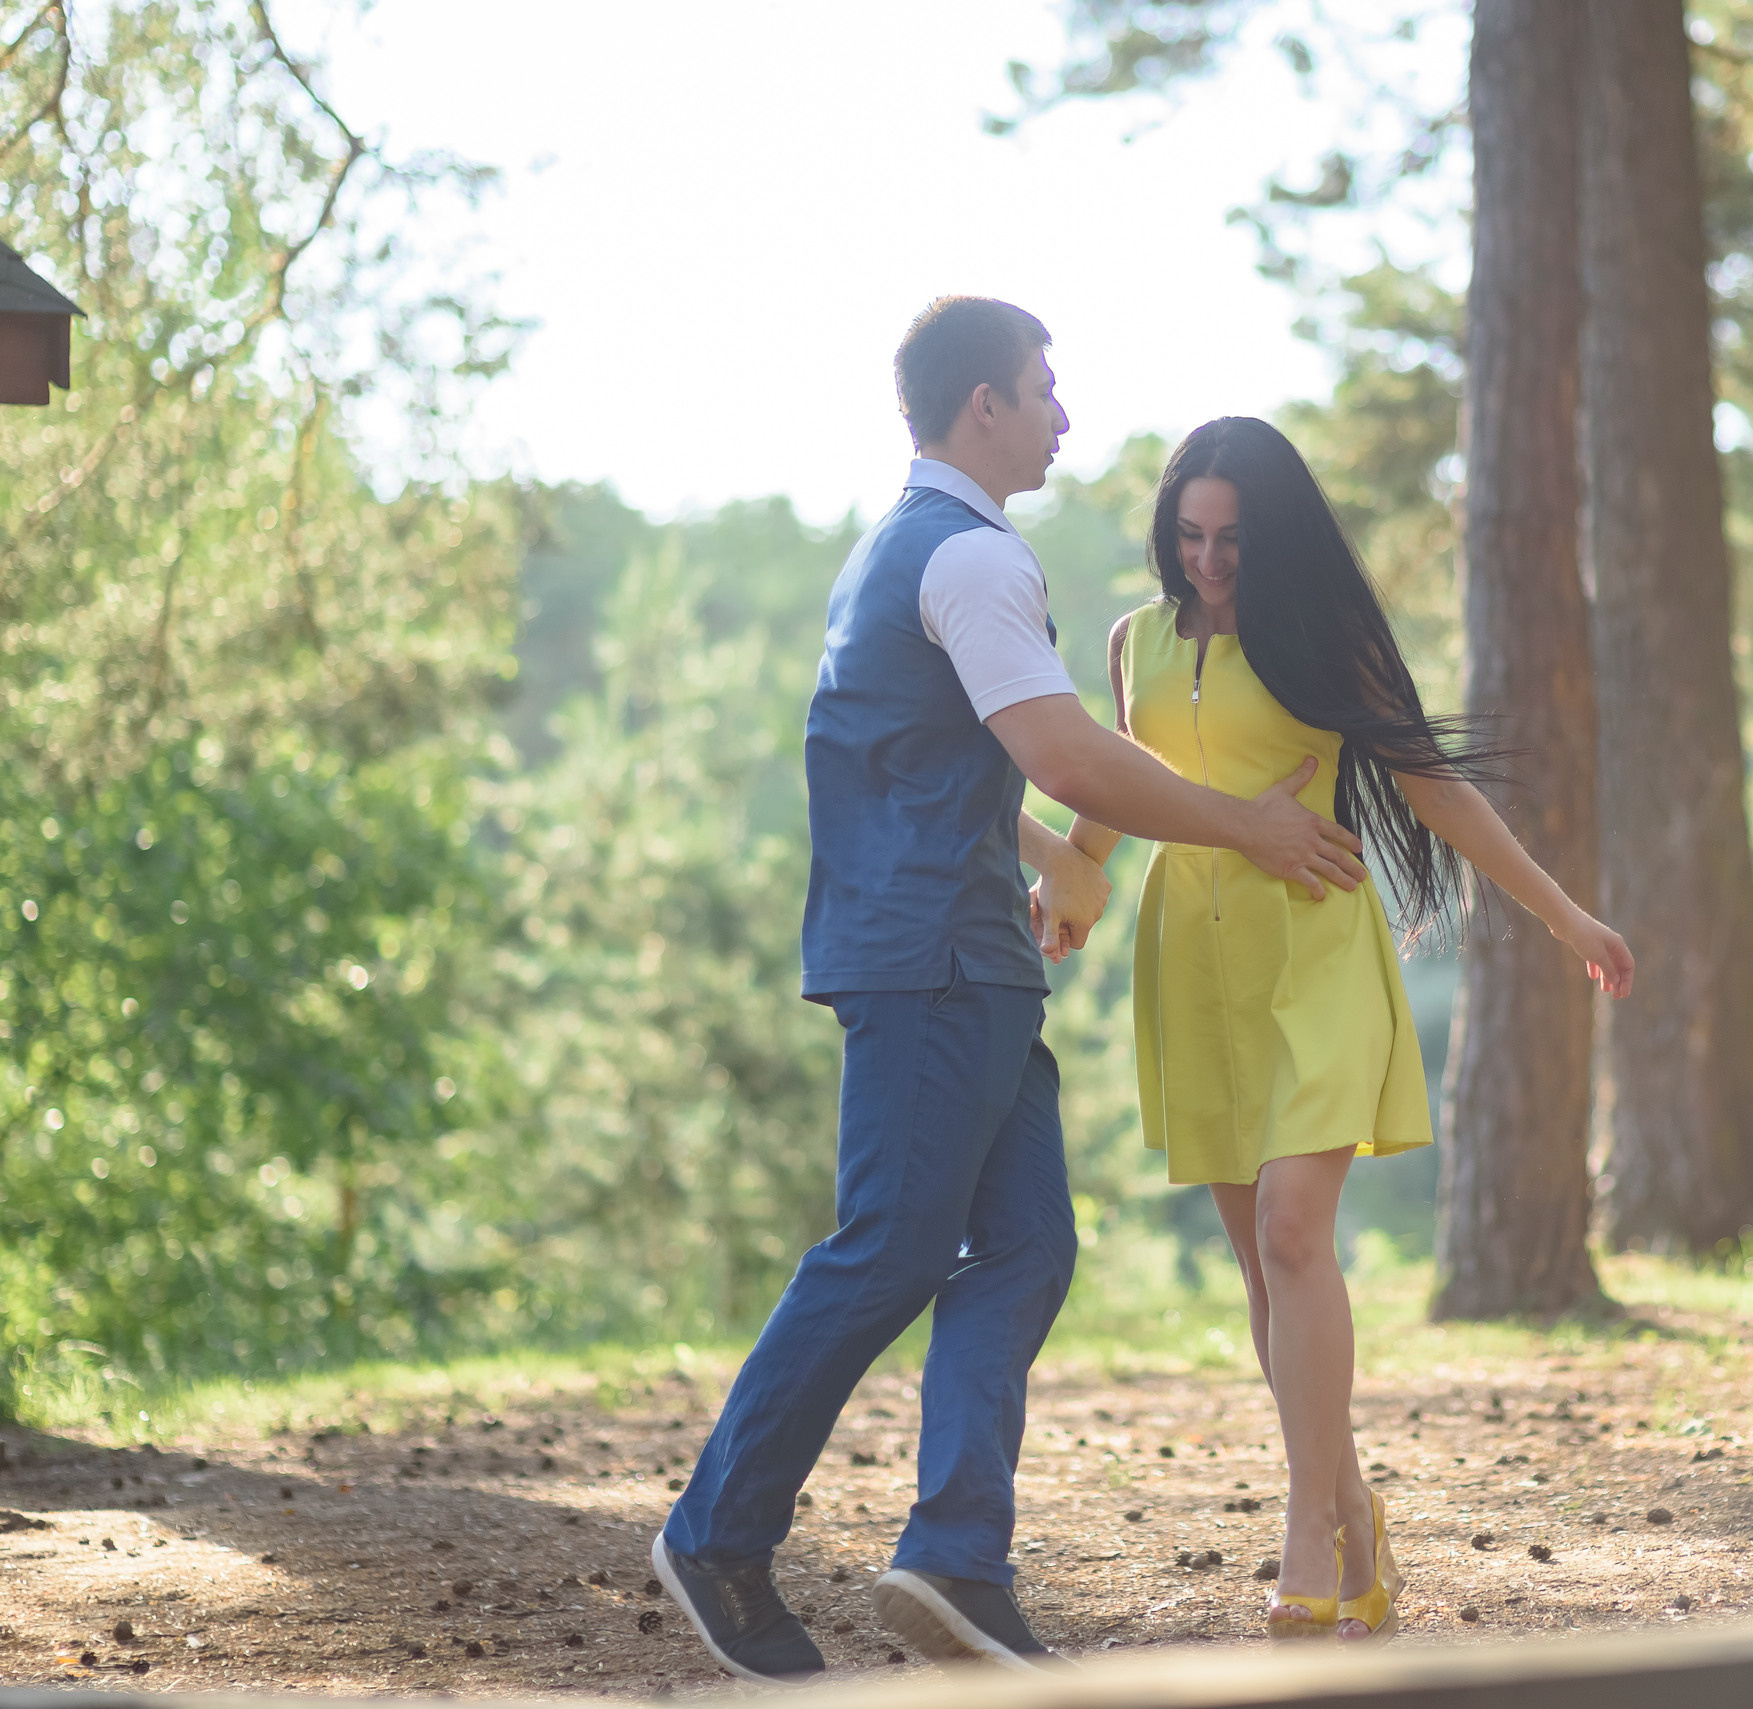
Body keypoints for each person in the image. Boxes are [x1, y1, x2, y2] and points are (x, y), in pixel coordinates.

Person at [651, 304, 1370, 1684]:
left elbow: (945, 763)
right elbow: (1066, 754)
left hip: (964, 952)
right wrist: (1251, 825)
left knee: (1028, 1245)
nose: (1063, 416)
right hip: (931, 957)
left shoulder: (890, 552)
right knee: (890, 1246)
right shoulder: (977, 559)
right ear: (983, 405)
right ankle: (720, 1531)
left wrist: (1055, 867)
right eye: (1045, 390)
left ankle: (957, 1555)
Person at [1062, 417, 1634, 1643]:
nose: (1208, 562)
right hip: (1192, 961)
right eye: (1190, 535)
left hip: (1313, 947)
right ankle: (1356, 1511)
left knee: (1292, 1229)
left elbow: (1433, 783)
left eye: (1232, 538)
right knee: (1262, 1266)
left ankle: (1307, 1523)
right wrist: (1070, 873)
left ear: (1274, 536)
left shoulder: (1323, 638)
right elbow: (1123, 775)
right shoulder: (1136, 640)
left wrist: (1566, 915)